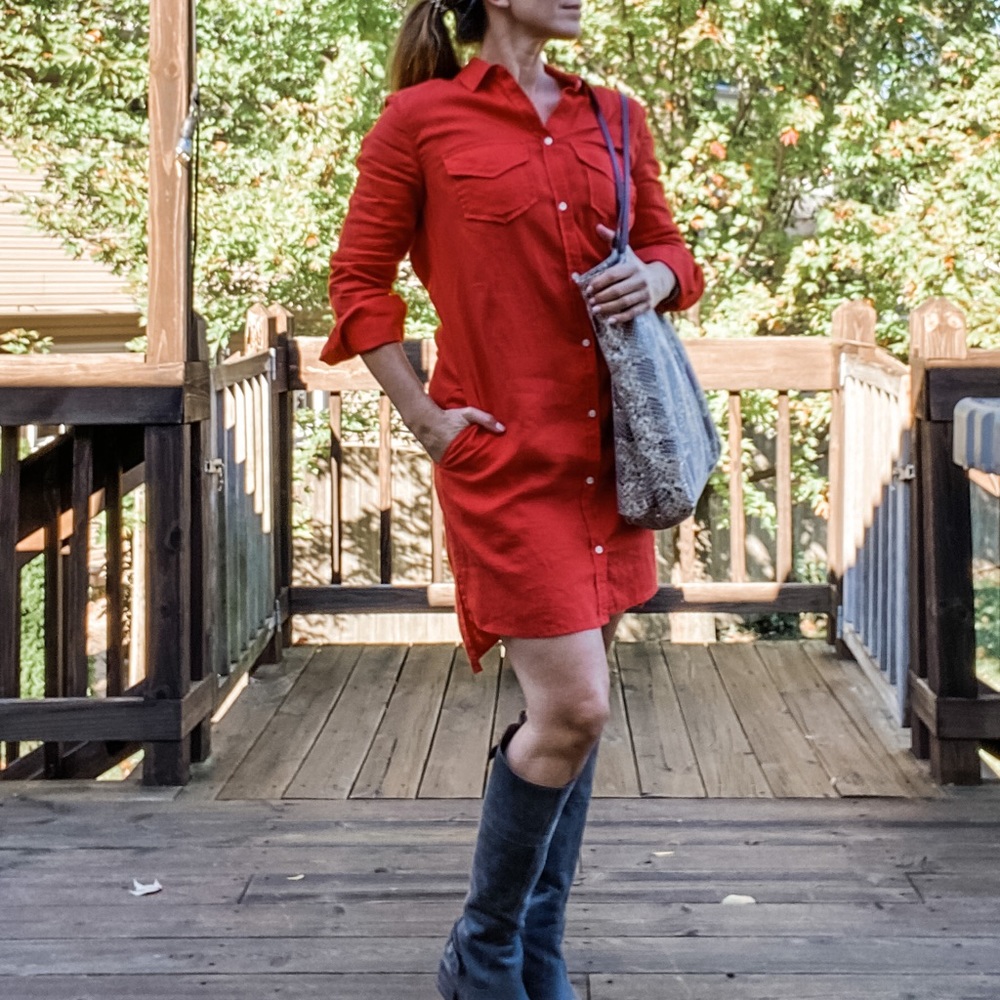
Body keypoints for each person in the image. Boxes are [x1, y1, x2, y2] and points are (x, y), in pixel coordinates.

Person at [322, 2, 704, 997]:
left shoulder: (615, 116)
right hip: (506, 463)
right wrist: (424, 416)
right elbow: (360, 282)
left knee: (569, 715)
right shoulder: (421, 121)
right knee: (574, 705)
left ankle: (539, 950)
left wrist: (651, 277)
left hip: (612, 462)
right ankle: (482, 950)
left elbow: (678, 254)